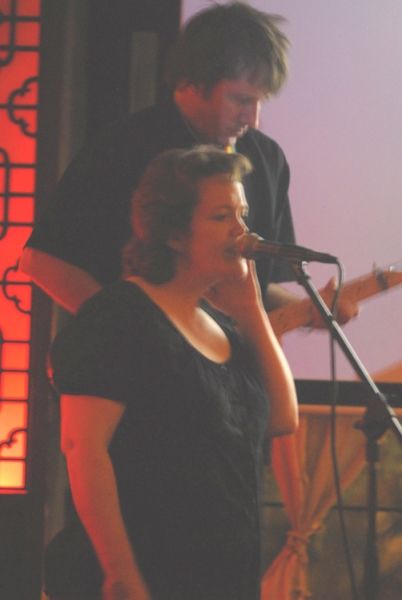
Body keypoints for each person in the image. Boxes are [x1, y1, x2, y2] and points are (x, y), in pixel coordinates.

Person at [43, 146, 298, 600]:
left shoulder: (223, 327)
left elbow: (282, 418)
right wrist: (120, 572)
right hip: (143, 576)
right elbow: (84, 448)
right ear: (175, 234)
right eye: (221, 216)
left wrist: (252, 310)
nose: (242, 231)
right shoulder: (120, 316)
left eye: (242, 214)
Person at [19, 1, 331, 320]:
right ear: (192, 82)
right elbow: (43, 260)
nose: (252, 119)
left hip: (222, 352)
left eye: (260, 101)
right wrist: (121, 327)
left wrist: (315, 313)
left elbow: (255, 287)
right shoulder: (123, 147)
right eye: (240, 100)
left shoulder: (268, 159)